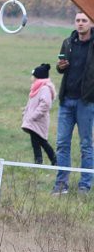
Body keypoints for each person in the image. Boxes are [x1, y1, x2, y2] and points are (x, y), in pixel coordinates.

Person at [53, 11, 94, 194]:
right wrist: (60, 66)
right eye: (77, 20)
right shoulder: (68, 42)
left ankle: (85, 185)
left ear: (91, 23)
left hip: (86, 102)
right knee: (62, 143)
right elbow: (61, 66)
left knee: (86, 144)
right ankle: (61, 184)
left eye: (84, 20)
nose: (80, 24)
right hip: (66, 100)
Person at [22, 63, 57, 166]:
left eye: (33, 75)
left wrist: (33, 116)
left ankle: (54, 159)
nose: (31, 77)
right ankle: (38, 160)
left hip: (39, 120)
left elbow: (45, 104)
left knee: (42, 141)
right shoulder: (36, 88)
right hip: (33, 120)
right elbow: (31, 103)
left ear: (38, 77)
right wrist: (26, 112)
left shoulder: (44, 89)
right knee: (35, 141)